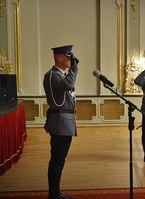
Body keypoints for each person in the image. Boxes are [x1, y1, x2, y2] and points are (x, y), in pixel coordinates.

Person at [43, 45, 79, 199]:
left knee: (60, 159)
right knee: (57, 159)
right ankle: (54, 194)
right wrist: (74, 70)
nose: (71, 60)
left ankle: (55, 193)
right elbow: (68, 86)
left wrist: (71, 71)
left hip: (65, 121)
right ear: (59, 58)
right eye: (68, 56)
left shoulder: (62, 75)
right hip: (60, 122)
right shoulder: (52, 75)